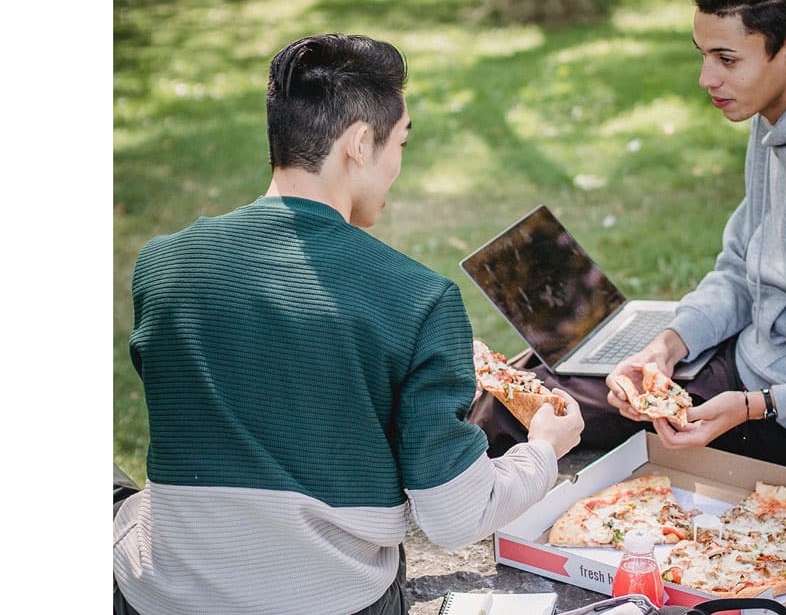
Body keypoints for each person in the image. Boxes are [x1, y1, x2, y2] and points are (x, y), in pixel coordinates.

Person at [112, 33, 584, 615]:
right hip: (335, 602)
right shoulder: (420, 300)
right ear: (360, 144)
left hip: (158, 598)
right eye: (401, 142)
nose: (399, 167)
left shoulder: (163, 264)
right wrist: (543, 449)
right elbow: (455, 515)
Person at [469, 0, 786, 468]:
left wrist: (754, 406)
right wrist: (669, 344)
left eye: (727, 59)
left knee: (515, 403)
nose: (706, 79)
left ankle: (433, 486)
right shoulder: (781, 114)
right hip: (754, 357)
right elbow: (741, 267)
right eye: (704, 55)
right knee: (539, 365)